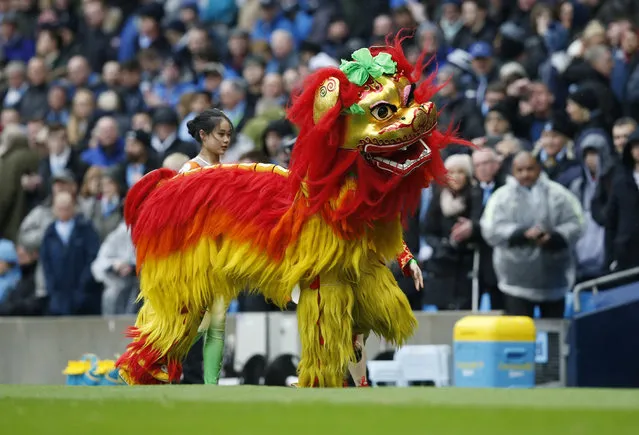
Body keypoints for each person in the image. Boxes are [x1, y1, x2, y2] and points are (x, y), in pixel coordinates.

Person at [481, 152, 585, 318]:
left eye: (530, 169)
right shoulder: (501, 197)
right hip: (515, 282)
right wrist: (520, 234)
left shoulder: (560, 195)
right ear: (513, 171)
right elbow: (490, 228)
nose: (525, 174)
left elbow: (577, 223)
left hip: (554, 281)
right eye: (520, 170)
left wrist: (554, 237)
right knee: (519, 338)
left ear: (539, 169)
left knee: (554, 336)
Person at [179, 109, 233, 386]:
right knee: (196, 324)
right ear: (203, 135)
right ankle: (160, 363)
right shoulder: (190, 170)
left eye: (228, 135)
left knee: (218, 323)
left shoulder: (229, 170)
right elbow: (178, 216)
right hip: (198, 257)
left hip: (223, 255)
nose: (226, 140)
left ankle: (212, 387)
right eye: (220, 134)